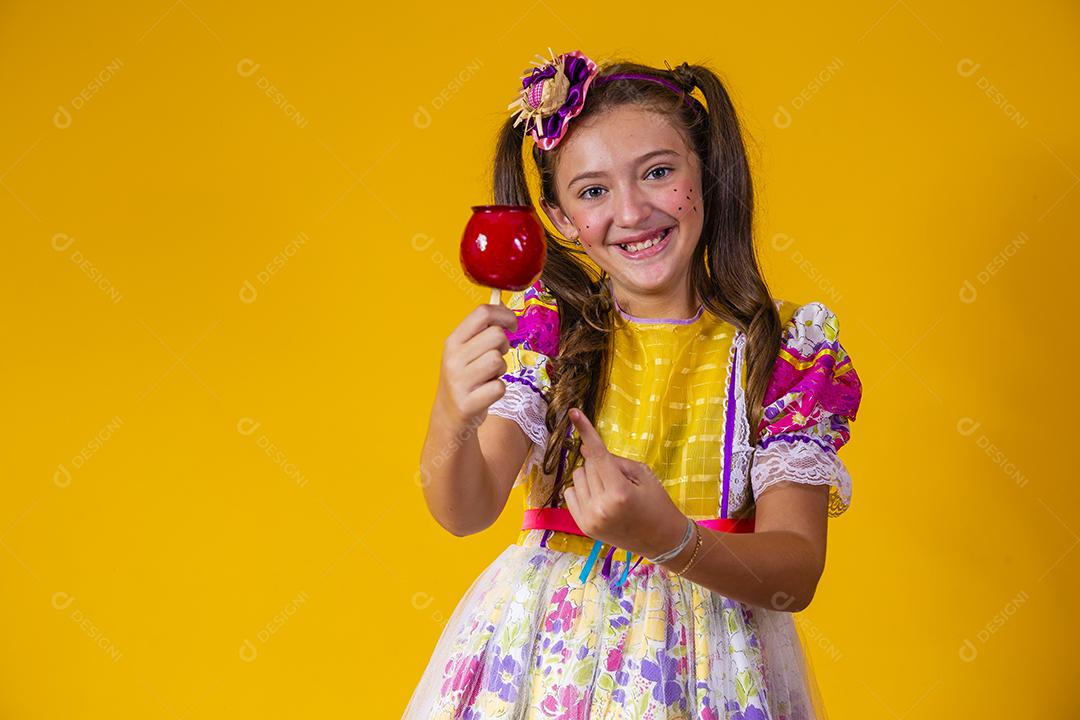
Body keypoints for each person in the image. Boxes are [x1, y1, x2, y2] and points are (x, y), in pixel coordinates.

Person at [408, 48, 863, 719]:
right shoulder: (546, 336)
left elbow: (795, 578)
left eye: (657, 172)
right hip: (546, 667)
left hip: (708, 672)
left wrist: (669, 537)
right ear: (560, 218)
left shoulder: (784, 353)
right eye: (592, 191)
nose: (631, 210)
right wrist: (453, 414)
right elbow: (465, 510)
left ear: (704, 175)